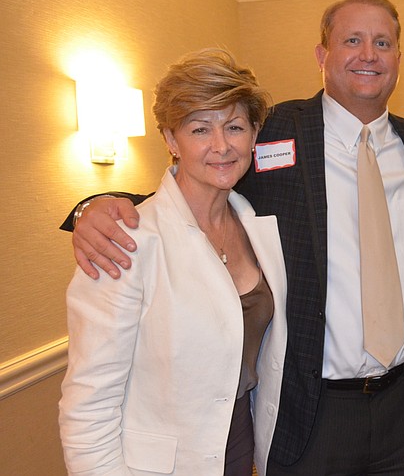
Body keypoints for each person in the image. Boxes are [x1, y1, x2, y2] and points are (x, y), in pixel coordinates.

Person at [63, 0, 404, 476]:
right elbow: (194, 186)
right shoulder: (273, 132)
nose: (368, 54)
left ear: (399, 56)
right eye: (351, 40)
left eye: (383, 42)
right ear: (322, 54)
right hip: (311, 408)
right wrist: (94, 208)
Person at [58, 48, 288, 475]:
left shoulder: (257, 226)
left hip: (239, 439)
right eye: (200, 129)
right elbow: (89, 405)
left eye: (235, 127)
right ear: (170, 139)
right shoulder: (126, 240)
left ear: (254, 134)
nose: (221, 146)